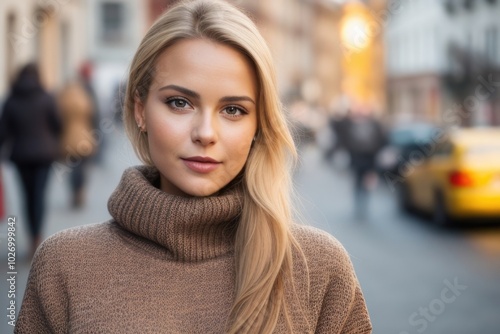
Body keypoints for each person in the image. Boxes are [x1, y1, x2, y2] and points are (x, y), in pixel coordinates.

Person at [15, 1, 372, 333]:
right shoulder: (65, 266)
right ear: (140, 109)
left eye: (233, 110)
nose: (205, 134)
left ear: (258, 124)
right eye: (180, 102)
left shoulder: (320, 270)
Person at [0, 63, 62, 256]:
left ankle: (31, 237)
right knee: (39, 196)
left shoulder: (11, 100)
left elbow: (3, 132)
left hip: (21, 157)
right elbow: (58, 125)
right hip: (44, 155)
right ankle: (37, 236)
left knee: (27, 197)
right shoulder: (47, 97)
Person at [58, 75, 98, 208]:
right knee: (82, 167)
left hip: (68, 139)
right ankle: (80, 192)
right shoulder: (84, 98)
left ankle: (74, 192)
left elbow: (57, 120)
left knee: (72, 167)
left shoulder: (63, 99)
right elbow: (94, 116)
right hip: (84, 137)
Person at [342, 105, 386, 220]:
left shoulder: (373, 126)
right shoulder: (354, 126)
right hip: (359, 159)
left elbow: (381, 141)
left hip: (367, 159)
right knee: (359, 183)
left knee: (365, 184)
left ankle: (362, 205)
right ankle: (360, 205)